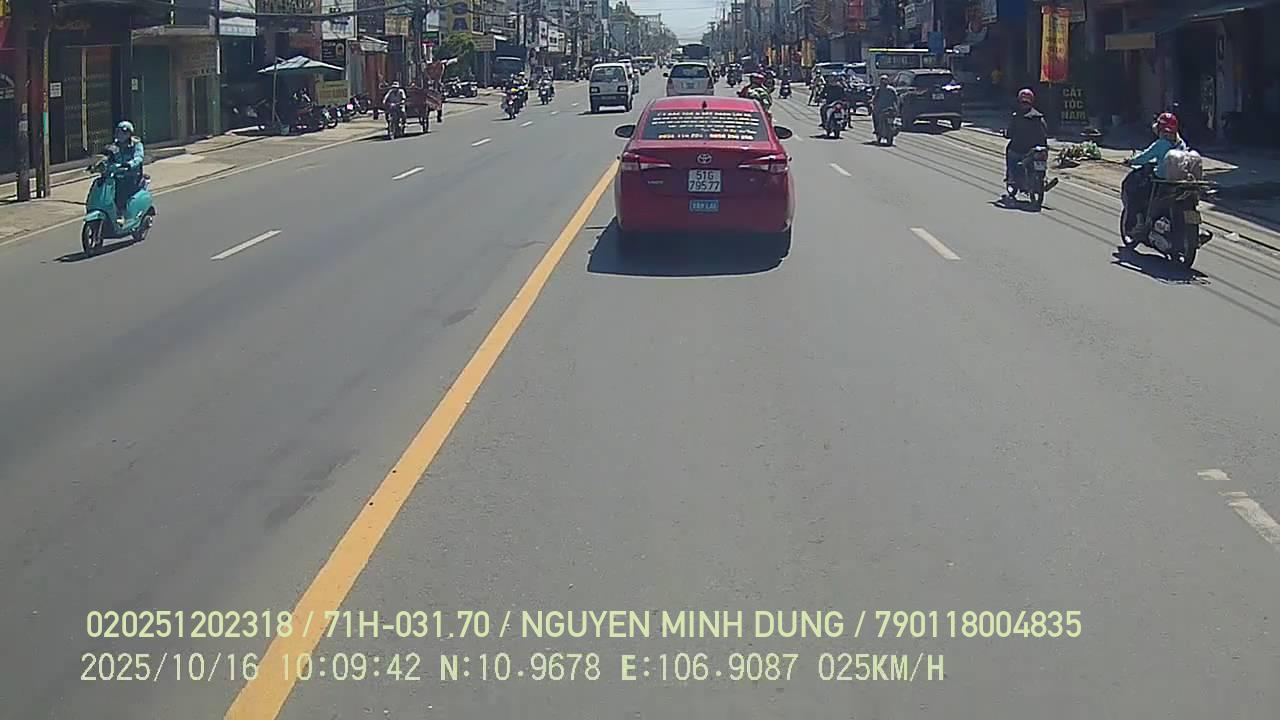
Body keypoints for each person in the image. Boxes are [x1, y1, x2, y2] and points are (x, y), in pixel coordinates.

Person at [1125, 112, 1188, 230]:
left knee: (1136, 192)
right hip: (1179, 180)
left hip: (1161, 179)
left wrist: (1131, 161)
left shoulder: (1161, 144)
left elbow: (1144, 157)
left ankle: (1139, 221)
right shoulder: (1181, 143)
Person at [1004, 88, 1049, 192]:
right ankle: (1043, 179)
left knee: (1010, 154)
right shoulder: (1039, 117)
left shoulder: (1017, 117)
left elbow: (1010, 132)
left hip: (1020, 149)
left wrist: (1007, 134)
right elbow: (1045, 133)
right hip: (1038, 148)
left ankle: (1011, 178)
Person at [110, 121, 145, 223]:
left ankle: (121, 213)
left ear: (130, 133)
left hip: (132, 175)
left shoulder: (136, 144)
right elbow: (107, 157)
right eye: (119, 132)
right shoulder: (115, 146)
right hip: (117, 174)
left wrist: (129, 164)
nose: (121, 135)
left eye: (124, 132)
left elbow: (139, 157)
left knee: (121, 188)